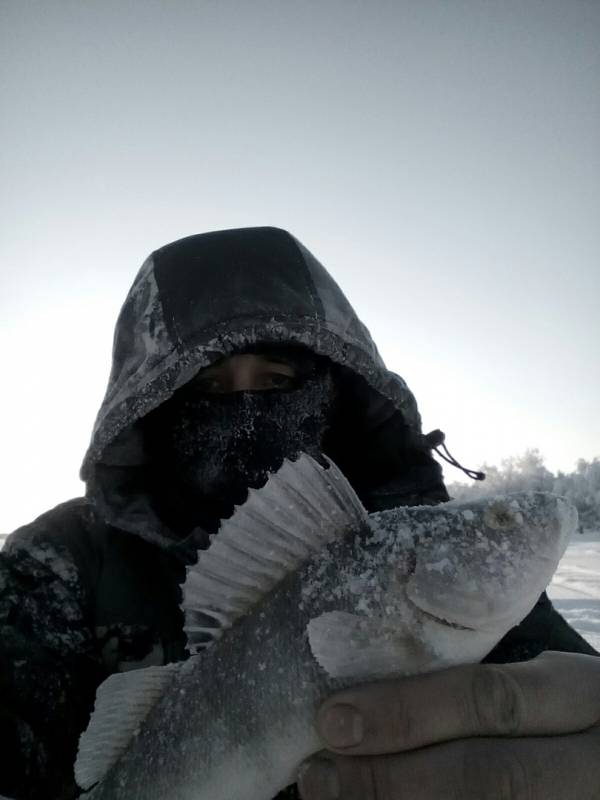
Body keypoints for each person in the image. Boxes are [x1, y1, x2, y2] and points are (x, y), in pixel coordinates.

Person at [1, 226, 598, 800]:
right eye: (207, 388)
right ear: (153, 410)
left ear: (336, 393)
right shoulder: (57, 564)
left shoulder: (417, 547)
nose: (245, 410)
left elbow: (556, 673)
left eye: (278, 377)